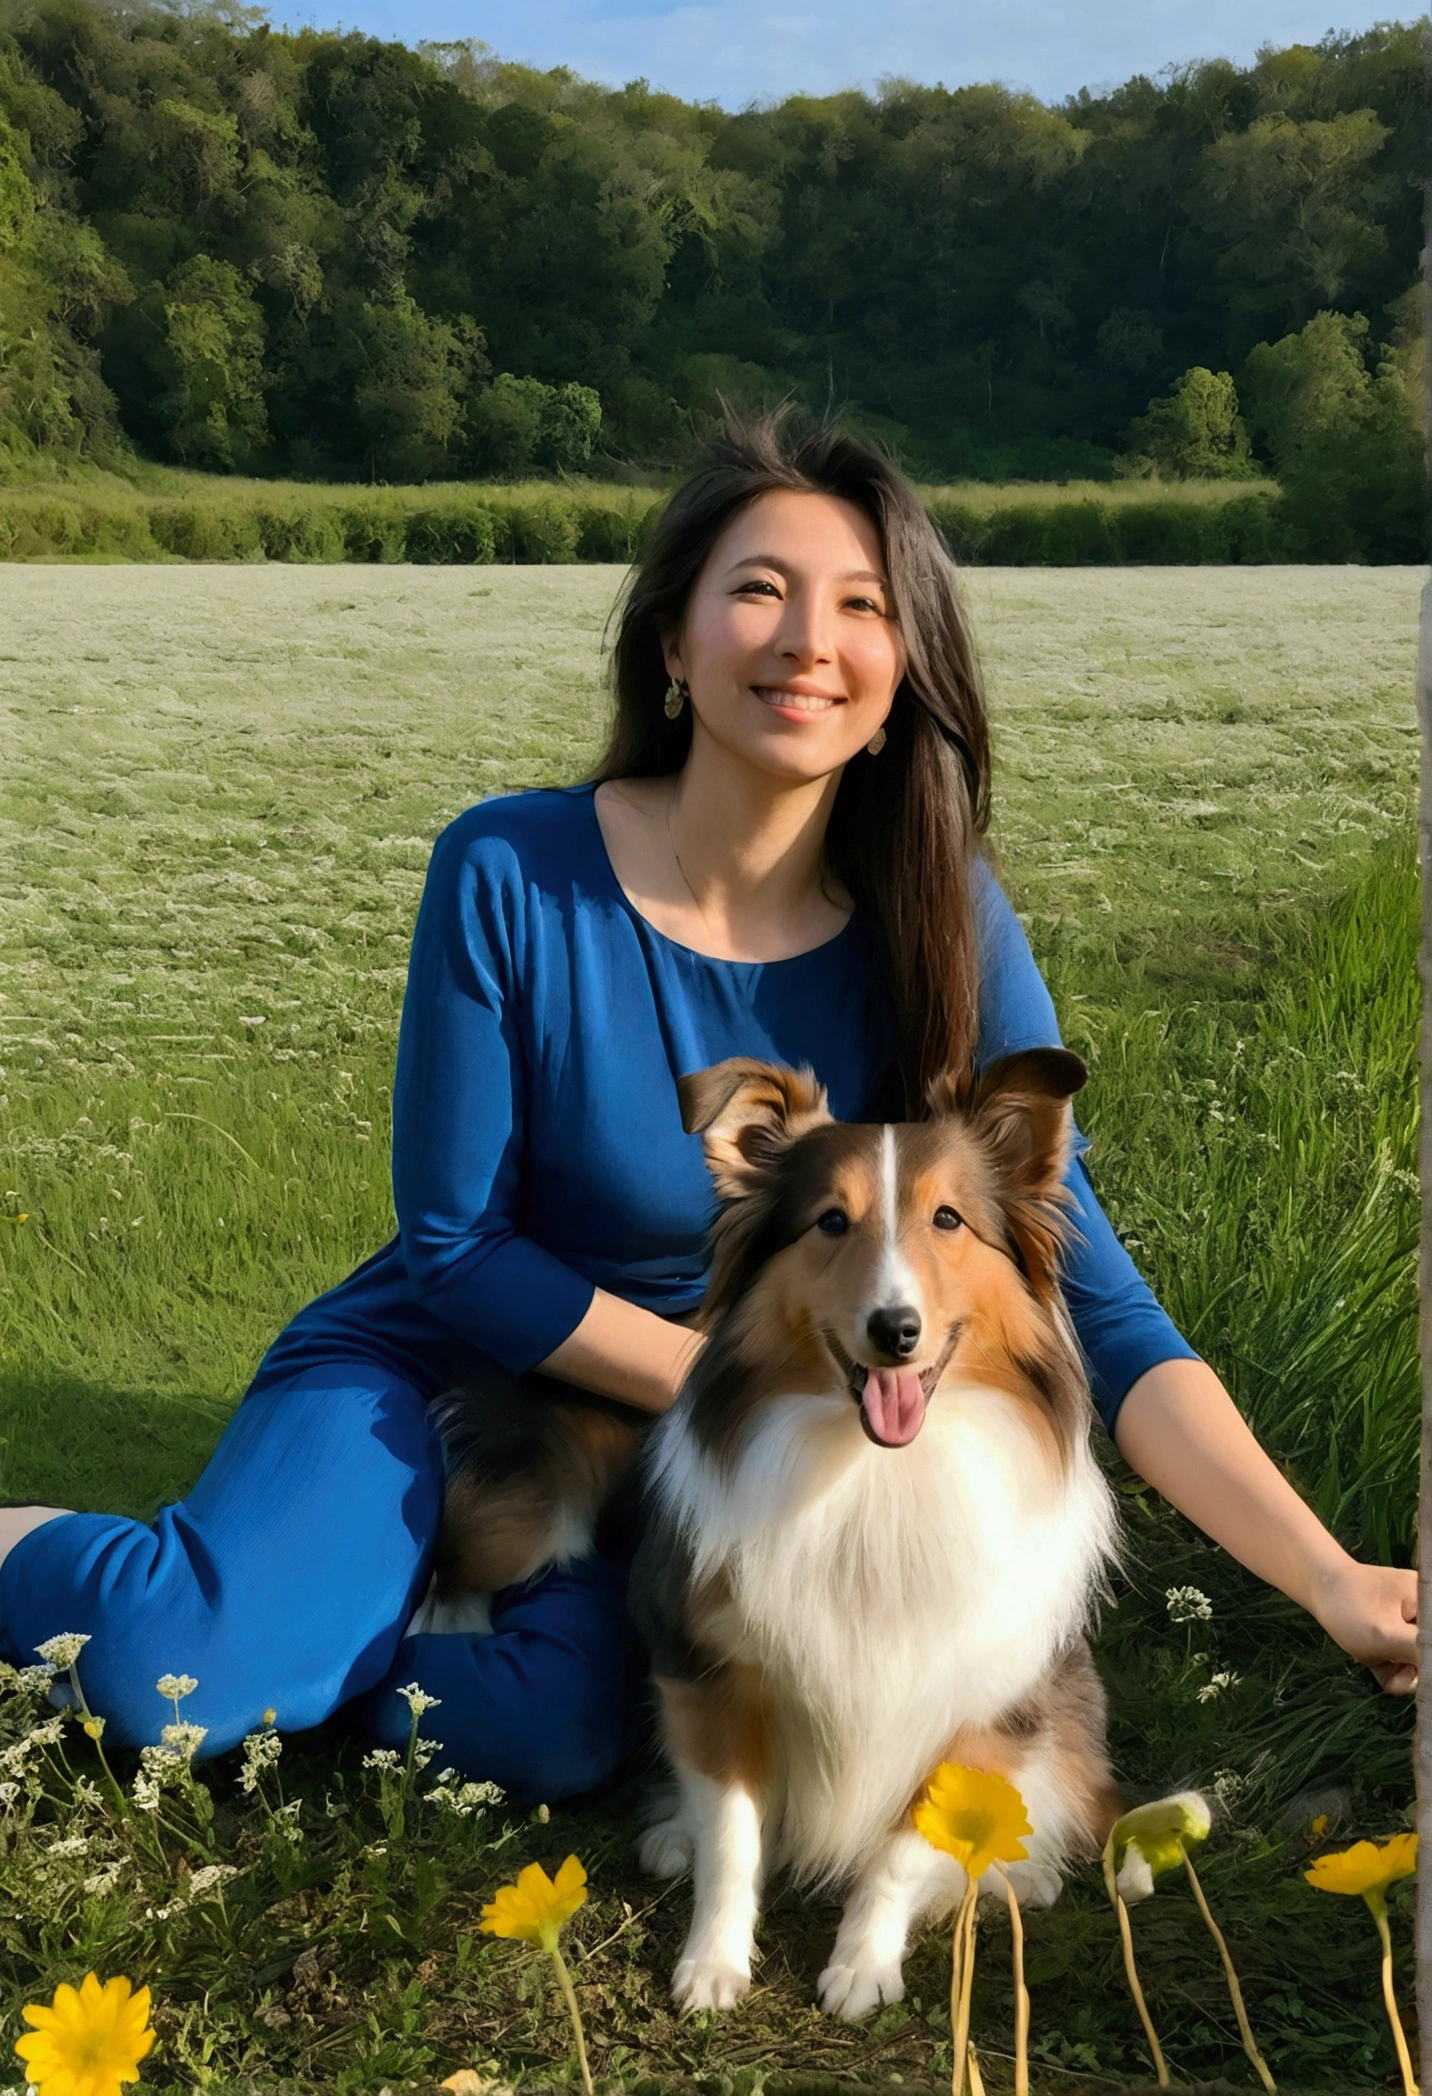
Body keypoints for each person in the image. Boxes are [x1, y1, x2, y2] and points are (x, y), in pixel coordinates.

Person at [0, 415, 1415, 1801]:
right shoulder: (509, 871)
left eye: (862, 605)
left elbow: (1088, 1291)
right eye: (760, 589)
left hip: (722, 1450)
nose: (811, 637)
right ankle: (103, 1558)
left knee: (544, 1742)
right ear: (674, 643)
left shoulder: (945, 919)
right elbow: (458, 1248)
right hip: (450, 1368)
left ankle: (379, 1613)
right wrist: (758, 1391)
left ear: (899, 672)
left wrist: (1329, 1575)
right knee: (187, 1676)